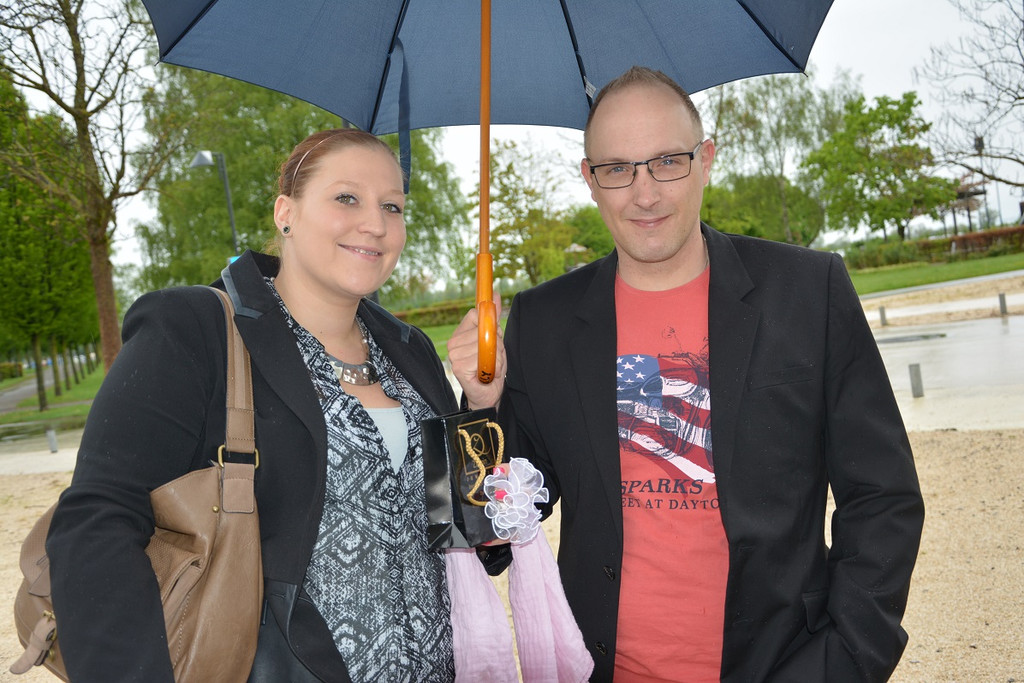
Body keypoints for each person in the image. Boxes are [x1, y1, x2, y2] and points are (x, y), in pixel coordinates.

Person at [496, 66, 925, 682]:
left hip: (781, 665)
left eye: (667, 162)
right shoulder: (543, 322)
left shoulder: (808, 292)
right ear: (590, 180)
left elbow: (882, 496)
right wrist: (480, 405)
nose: (645, 194)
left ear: (706, 160)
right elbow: (494, 532)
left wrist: (846, 660)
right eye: (617, 169)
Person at [46, 128, 504, 682]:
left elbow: (473, 539)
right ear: (286, 213)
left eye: (393, 206)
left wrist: (480, 403)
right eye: (347, 198)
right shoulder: (195, 330)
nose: (376, 224)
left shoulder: (411, 352)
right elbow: (97, 523)